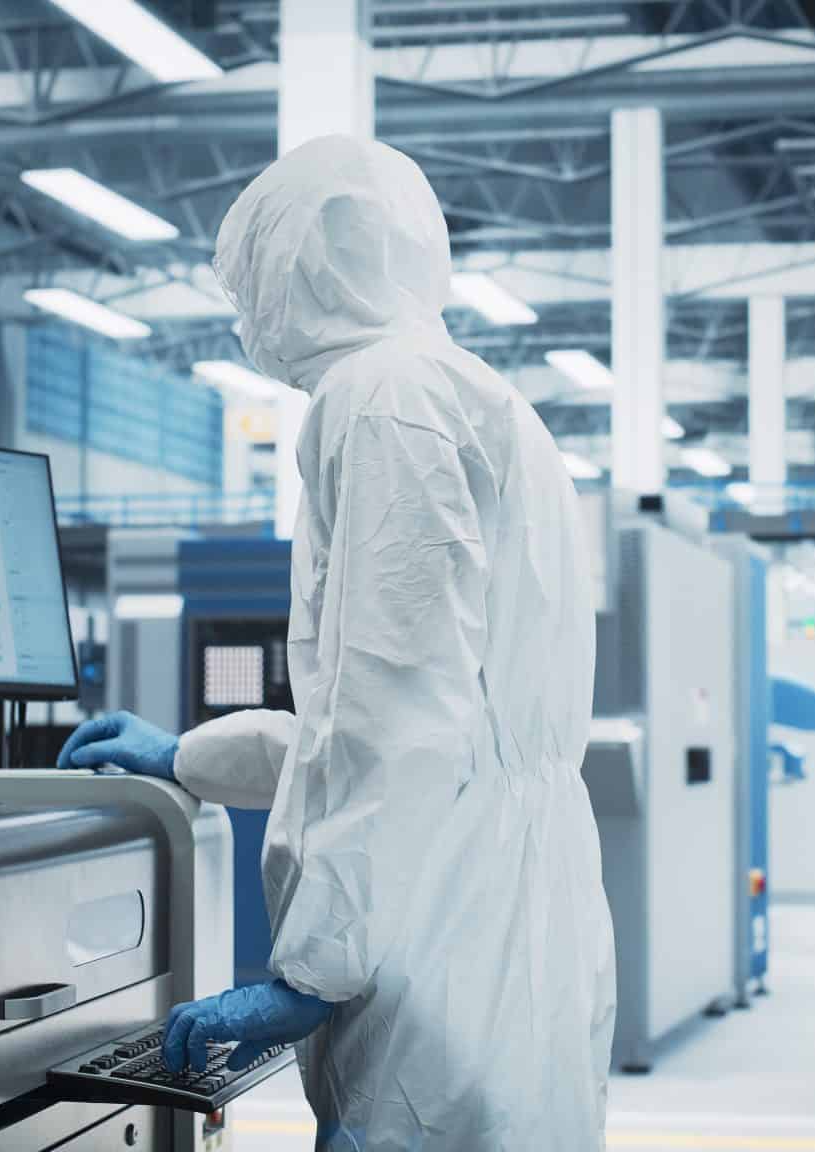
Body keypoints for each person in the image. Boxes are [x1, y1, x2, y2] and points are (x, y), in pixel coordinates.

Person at [56, 135, 616, 1151]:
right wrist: (183, 757)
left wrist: (314, 972)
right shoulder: (471, 393)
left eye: (252, 276)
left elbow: (395, 716)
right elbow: (391, 727)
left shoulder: (382, 399)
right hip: (502, 920)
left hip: (438, 939)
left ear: (299, 262)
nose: (245, 310)